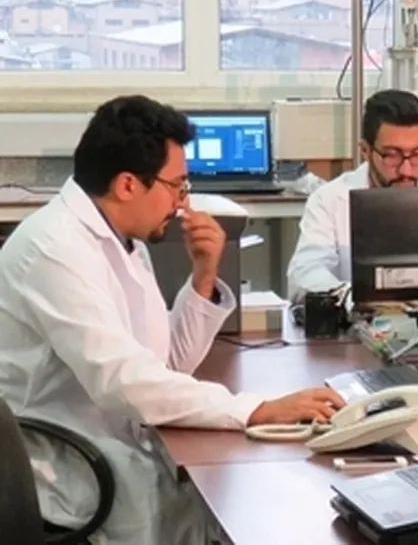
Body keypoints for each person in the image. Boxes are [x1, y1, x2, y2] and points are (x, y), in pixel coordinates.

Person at [0, 95, 345, 544]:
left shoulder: (121, 238)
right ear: (128, 185)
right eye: (177, 186)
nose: (184, 203)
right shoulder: (53, 250)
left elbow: (165, 366)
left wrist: (204, 275)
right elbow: (125, 382)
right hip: (72, 470)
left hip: (121, 440)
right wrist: (256, 409)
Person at [287, 89, 418, 298]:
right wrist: (350, 297)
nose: (406, 170)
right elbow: (305, 272)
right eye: (392, 155)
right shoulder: (329, 200)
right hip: (357, 314)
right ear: (365, 150)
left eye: (417, 154)